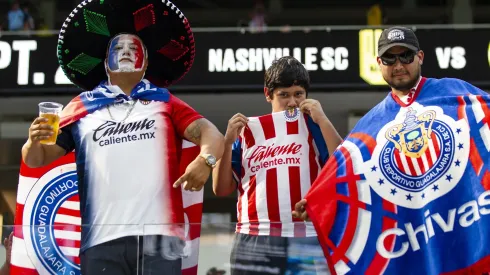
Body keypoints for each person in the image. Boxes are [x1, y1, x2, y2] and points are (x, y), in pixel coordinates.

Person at [21, 1, 224, 274]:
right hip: (100, 240)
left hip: (161, 239)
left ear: (146, 62)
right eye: (118, 48)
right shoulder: (81, 107)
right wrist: (33, 140)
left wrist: (206, 159)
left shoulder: (165, 102)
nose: (126, 51)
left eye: (134, 48)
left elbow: (212, 133)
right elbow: (37, 160)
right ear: (106, 63)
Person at [293, 26, 490, 274]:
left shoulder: (457, 93)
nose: (398, 65)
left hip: (469, 234)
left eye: (406, 56)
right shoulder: (371, 125)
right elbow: (346, 172)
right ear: (379, 63)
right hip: (419, 243)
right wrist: (316, 204)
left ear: (420, 57)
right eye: (390, 58)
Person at [213, 56, 342, 274]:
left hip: (307, 234)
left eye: (298, 94)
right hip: (254, 235)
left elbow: (343, 166)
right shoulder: (246, 132)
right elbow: (221, 188)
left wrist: (324, 120)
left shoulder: (316, 127)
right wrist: (227, 142)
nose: (292, 102)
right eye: (284, 95)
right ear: (268, 94)